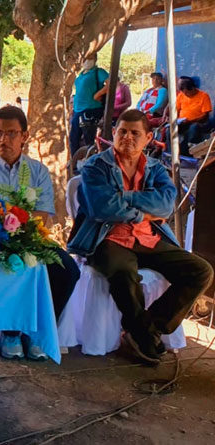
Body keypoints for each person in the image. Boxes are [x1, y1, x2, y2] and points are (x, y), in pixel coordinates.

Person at [68, 109, 213, 363]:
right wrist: (144, 213)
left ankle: (148, 328)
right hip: (106, 239)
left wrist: (125, 197)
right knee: (123, 270)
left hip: (148, 240)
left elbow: (166, 206)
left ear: (148, 138)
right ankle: (142, 336)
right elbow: (103, 208)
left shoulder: (156, 169)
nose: (127, 137)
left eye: (135, 133)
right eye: (122, 131)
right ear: (113, 133)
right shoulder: (95, 166)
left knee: (201, 271)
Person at [0, 106, 81, 360]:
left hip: (29, 238)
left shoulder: (37, 171)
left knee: (68, 270)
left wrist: (17, 227)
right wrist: (4, 227)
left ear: (25, 136)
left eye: (11, 133)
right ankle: (11, 333)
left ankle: (36, 332)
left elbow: (43, 216)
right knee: (9, 268)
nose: (3, 140)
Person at [69, 53, 109, 156]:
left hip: (90, 109)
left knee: (88, 138)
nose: (87, 61)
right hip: (77, 110)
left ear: (95, 59)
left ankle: (89, 161)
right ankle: (75, 162)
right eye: (85, 58)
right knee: (74, 138)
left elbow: (111, 84)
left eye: (90, 58)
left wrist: (98, 94)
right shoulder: (81, 74)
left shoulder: (98, 72)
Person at [176, 76, 213, 156]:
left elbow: (205, 116)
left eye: (187, 93)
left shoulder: (204, 96)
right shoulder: (181, 95)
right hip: (182, 122)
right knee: (170, 130)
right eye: (184, 93)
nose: (185, 94)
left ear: (193, 88)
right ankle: (173, 152)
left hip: (198, 122)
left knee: (193, 128)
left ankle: (188, 153)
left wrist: (191, 121)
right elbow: (176, 109)